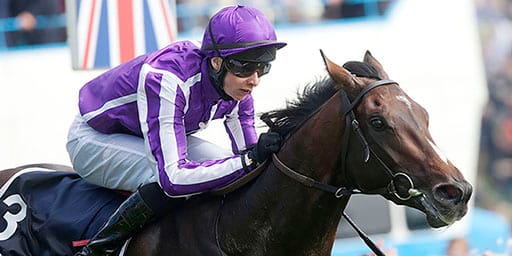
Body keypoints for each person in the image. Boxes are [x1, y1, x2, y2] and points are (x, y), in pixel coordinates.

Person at [67, 5, 286, 256]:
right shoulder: (168, 77)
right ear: (216, 62)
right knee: (168, 179)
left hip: (139, 135)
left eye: (263, 68)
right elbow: (173, 178)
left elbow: (248, 157)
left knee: (228, 168)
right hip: (93, 139)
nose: (255, 79)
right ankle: (97, 250)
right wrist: (248, 160)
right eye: (246, 67)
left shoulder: (239, 87)